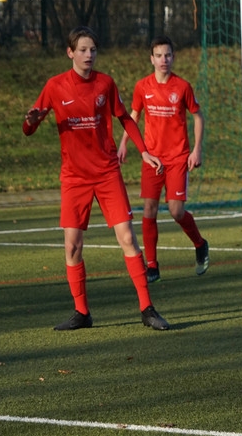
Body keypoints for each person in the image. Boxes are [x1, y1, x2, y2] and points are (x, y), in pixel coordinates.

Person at [22, 26, 170, 331]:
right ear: (70, 52)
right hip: (74, 177)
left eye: (93, 50)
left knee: (127, 238)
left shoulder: (105, 83)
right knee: (72, 247)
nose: (89, 55)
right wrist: (30, 122)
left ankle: (147, 309)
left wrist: (144, 152)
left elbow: (125, 117)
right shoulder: (55, 86)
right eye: (83, 50)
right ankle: (81, 313)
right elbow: (29, 127)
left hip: (106, 173)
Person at [118, 35, 210, 282]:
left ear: (173, 57)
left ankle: (200, 243)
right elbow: (134, 116)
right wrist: (124, 143)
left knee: (176, 211)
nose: (163, 60)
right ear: (151, 59)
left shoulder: (182, 87)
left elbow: (198, 116)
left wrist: (197, 149)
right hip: (152, 158)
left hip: (178, 158)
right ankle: (152, 266)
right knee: (149, 209)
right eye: (159, 55)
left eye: (168, 55)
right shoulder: (142, 86)